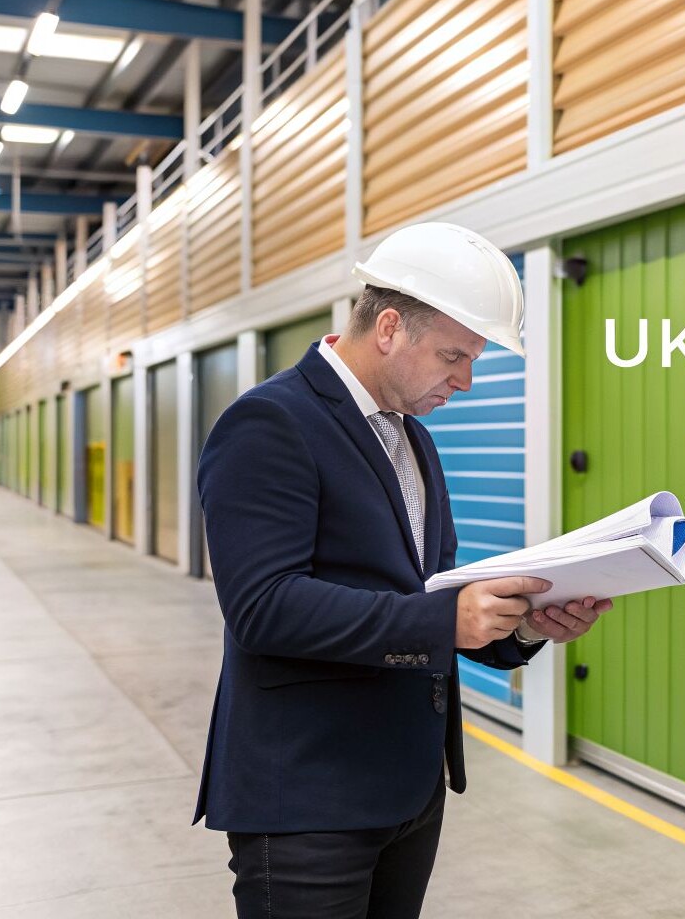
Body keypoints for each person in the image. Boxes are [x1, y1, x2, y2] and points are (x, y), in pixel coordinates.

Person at [194, 222, 612, 918]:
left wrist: (527, 627)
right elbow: (263, 607)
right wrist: (447, 616)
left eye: (474, 358)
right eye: (455, 354)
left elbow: (426, 597)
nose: (467, 381)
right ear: (388, 327)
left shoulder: (412, 437)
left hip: (408, 788)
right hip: (308, 799)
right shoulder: (270, 423)